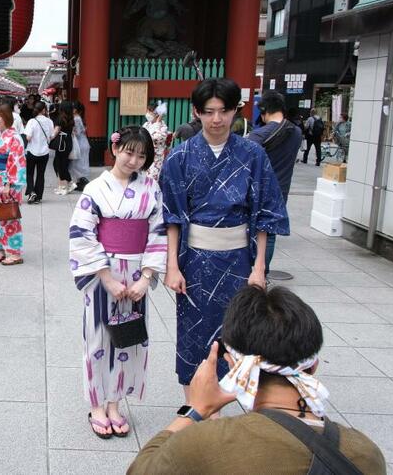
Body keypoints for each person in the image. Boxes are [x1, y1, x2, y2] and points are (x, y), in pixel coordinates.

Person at [127, 285, 387, 474]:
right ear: (313, 366)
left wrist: (195, 410)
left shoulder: (204, 444)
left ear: (232, 364)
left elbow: (141, 470)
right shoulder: (365, 454)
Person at [161, 78, 289, 395]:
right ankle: (195, 405)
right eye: (209, 112)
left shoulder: (253, 155)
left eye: (224, 111)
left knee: (239, 332)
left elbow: (264, 215)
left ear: (236, 111)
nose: (216, 119)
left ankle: (232, 403)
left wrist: (259, 268)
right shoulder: (179, 157)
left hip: (239, 262)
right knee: (193, 334)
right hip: (194, 263)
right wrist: (172, 266)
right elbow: (172, 216)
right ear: (197, 112)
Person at [69, 125, 168, 439]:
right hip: (103, 272)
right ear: (115, 149)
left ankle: (115, 403)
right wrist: (106, 277)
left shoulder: (151, 187)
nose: (134, 160)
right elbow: (82, 233)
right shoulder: (96, 189)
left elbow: (158, 231)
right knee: (99, 339)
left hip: (138, 272)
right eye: (129, 152)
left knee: (130, 339)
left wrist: (148, 277)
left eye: (142, 155)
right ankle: (97, 404)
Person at [247, 90, 302, 276]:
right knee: (269, 235)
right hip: (282, 189)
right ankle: (263, 272)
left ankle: (253, 270)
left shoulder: (259, 136)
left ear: (264, 111)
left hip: (258, 189)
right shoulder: (296, 132)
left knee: (253, 233)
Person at [0, 103, 27, 265]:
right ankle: (1, 248)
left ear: (7, 118)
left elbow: (17, 161)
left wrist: (9, 182)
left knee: (10, 215)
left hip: (9, 181)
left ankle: (15, 252)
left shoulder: (15, 137)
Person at [23, 101, 54, 204]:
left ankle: (31, 192)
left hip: (32, 151)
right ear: (44, 110)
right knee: (41, 174)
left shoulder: (32, 121)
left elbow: (28, 137)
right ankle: (38, 196)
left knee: (30, 173)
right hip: (44, 152)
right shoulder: (49, 121)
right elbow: (51, 136)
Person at [143, 101, 170, 182]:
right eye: (147, 111)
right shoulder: (146, 124)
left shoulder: (162, 127)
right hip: (144, 156)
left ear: (157, 114)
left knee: (152, 181)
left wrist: (158, 122)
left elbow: (154, 137)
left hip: (156, 160)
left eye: (150, 111)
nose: (148, 113)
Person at [52, 100, 75, 195]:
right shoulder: (71, 119)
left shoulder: (60, 118)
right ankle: (63, 186)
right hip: (68, 142)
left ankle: (69, 184)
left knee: (60, 164)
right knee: (61, 164)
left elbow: (56, 131)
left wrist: (49, 138)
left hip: (62, 143)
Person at [69, 101, 92, 190]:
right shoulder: (79, 118)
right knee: (80, 163)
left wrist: (71, 130)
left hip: (80, 143)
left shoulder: (76, 119)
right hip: (82, 142)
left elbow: (77, 133)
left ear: (77, 110)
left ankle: (84, 182)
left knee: (77, 164)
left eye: (74, 108)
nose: (72, 109)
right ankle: (80, 183)